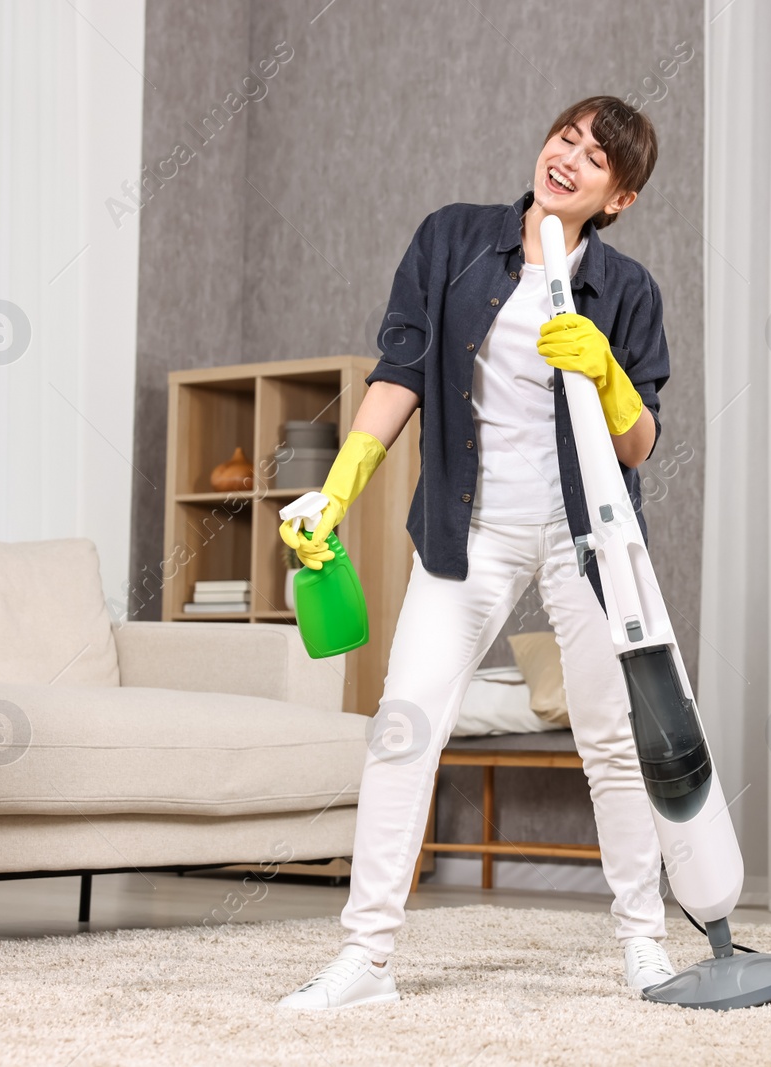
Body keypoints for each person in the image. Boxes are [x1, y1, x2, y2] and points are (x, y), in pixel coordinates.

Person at [276, 96, 677, 1011]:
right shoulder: (452, 240)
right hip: (472, 529)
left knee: (612, 743)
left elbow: (640, 443)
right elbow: (400, 374)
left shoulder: (630, 290)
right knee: (404, 724)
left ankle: (645, 944)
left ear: (619, 199)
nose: (568, 158)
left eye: (596, 159)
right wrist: (338, 489)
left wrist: (610, 375)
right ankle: (366, 959)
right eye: (564, 138)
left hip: (590, 535)